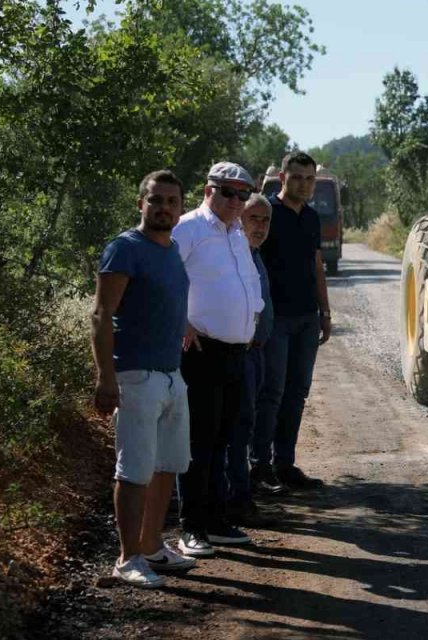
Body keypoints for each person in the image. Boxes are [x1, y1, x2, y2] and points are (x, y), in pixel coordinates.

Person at [92, 169, 195, 588]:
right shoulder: (124, 249)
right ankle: (127, 558)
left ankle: (152, 546)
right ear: (141, 204)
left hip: (172, 375)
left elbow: (162, 302)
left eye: (172, 201)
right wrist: (106, 378)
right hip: (135, 376)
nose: (164, 208)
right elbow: (101, 315)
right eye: (156, 200)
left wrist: (184, 326)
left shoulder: (172, 250)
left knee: (168, 465)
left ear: (180, 207)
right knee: (134, 470)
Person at [171, 161, 265, 557]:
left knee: (224, 440)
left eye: (243, 194)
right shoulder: (189, 228)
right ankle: (191, 526)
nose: (236, 201)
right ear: (208, 190)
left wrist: (252, 316)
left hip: (235, 353)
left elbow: (247, 283)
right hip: (201, 352)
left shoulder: (236, 234)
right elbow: (165, 277)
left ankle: (215, 519)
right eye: (228, 192)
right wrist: (181, 322)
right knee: (200, 441)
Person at [253, 152, 331, 492]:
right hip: (275, 319)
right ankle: (259, 467)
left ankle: (284, 465)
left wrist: (325, 312)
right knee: (271, 393)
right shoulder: (266, 214)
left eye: (310, 179)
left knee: (297, 393)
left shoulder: (311, 217)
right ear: (282, 178)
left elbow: (317, 265)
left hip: (306, 318)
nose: (304, 184)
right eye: (297, 177)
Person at [225, 194, 280, 525]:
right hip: (238, 353)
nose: (260, 227)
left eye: (265, 220)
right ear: (238, 220)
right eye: (253, 219)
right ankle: (236, 498)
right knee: (237, 426)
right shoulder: (235, 255)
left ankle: (241, 493)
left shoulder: (254, 254)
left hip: (256, 352)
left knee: (246, 423)